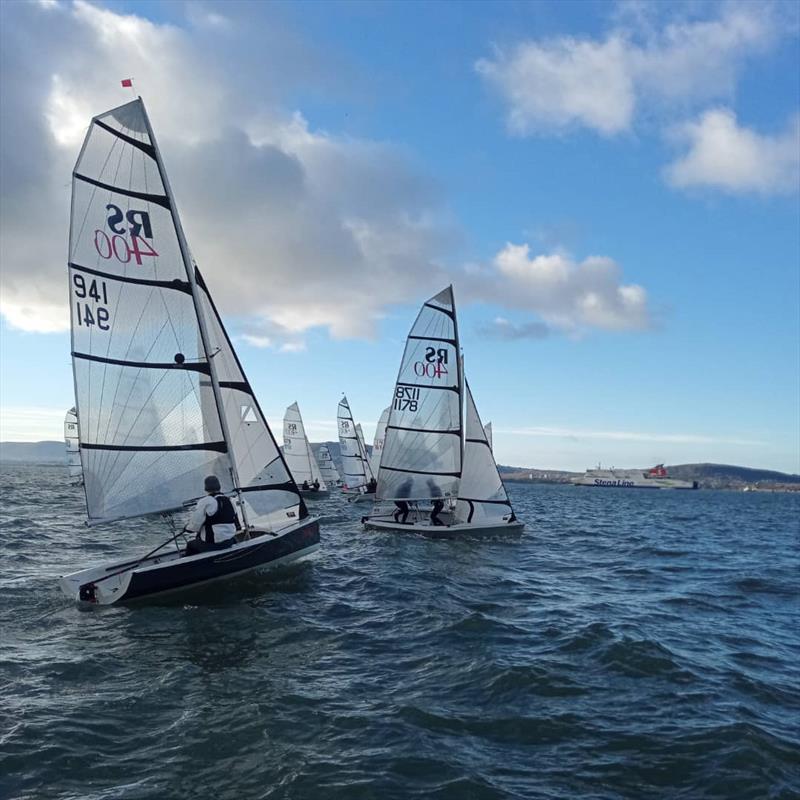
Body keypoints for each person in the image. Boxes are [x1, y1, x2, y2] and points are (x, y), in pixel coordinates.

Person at [183, 475, 239, 556]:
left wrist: (186, 528)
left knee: (190, 545)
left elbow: (195, 525)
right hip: (229, 542)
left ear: (206, 488)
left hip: (213, 544)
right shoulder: (229, 501)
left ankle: (188, 566)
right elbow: (236, 523)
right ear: (219, 486)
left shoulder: (205, 502)